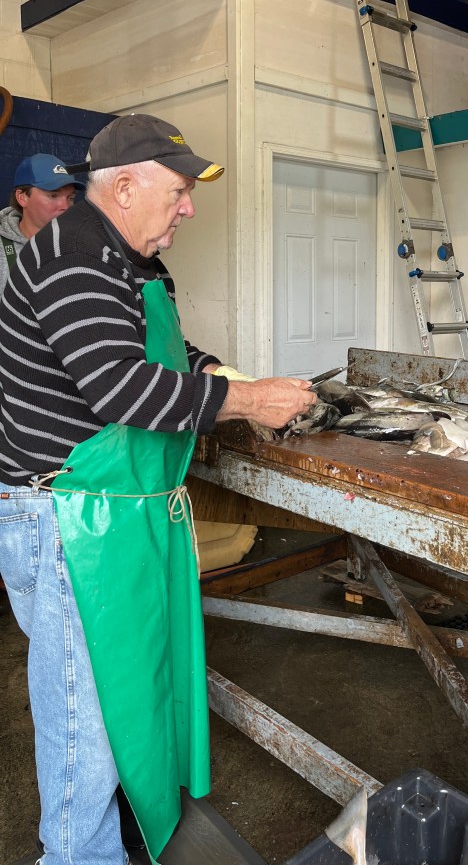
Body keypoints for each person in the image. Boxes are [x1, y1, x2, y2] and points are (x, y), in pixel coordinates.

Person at [0, 113, 316, 865]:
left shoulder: (134, 263)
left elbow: (160, 354)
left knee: (126, 695)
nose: (190, 208)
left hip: (119, 511)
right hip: (68, 518)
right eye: (178, 191)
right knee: (83, 717)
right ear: (125, 188)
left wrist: (217, 373)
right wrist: (247, 401)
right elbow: (120, 388)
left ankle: (113, 829)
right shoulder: (71, 253)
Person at [0, 152, 82, 293]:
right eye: (53, 195)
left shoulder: (84, 246)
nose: (65, 206)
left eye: (70, 197)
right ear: (22, 197)